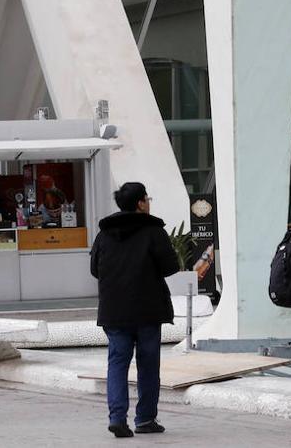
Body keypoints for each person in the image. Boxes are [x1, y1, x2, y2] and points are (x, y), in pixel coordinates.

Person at [90, 182, 179, 438]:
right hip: (148, 310)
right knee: (148, 364)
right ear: (140, 203)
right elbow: (170, 267)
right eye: (147, 199)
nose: (149, 203)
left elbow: (95, 269)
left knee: (117, 363)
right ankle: (145, 418)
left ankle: (117, 417)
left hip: (114, 311)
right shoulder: (153, 231)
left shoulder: (104, 234)